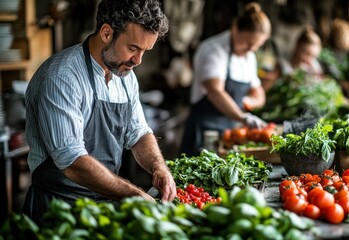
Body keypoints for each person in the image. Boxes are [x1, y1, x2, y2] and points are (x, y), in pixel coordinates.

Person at [21, 0, 176, 223]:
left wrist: (158, 167)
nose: (138, 61)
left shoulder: (125, 76)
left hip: (103, 206)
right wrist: (133, 193)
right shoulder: (62, 77)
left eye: (144, 51)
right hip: (58, 209)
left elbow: (139, 133)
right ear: (106, 33)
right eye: (133, 48)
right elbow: (72, 161)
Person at [180, 2, 271, 157]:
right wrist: (243, 116)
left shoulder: (249, 57)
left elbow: (259, 94)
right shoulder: (213, 50)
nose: (252, 49)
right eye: (248, 43)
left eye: (257, 45)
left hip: (230, 134)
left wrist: (247, 102)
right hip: (204, 131)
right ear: (235, 28)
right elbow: (215, 91)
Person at [262, 27, 324, 91]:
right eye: (306, 53)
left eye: (313, 56)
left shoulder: (314, 66)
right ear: (297, 46)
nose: (308, 59)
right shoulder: (282, 66)